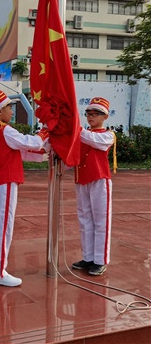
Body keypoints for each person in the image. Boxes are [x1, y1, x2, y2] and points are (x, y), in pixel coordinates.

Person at [0, 91, 48, 287]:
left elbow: (18, 151)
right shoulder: (5, 130)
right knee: (2, 227)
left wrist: (40, 151)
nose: (11, 111)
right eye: (8, 108)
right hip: (4, 182)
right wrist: (45, 132)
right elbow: (29, 143)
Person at [72, 97, 115, 276]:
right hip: (82, 179)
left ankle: (100, 260)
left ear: (104, 116)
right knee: (85, 219)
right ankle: (88, 257)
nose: (90, 117)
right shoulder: (82, 135)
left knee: (101, 221)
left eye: (95, 114)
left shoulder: (108, 135)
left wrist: (74, 127)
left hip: (99, 180)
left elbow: (92, 140)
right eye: (88, 114)